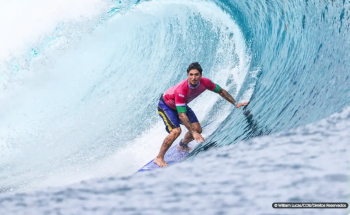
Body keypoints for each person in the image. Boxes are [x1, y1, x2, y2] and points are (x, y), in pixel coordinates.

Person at [154, 62, 249, 167]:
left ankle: (182, 145)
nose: (193, 77)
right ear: (187, 75)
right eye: (191, 74)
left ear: (201, 75)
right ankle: (159, 158)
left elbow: (221, 91)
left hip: (181, 105)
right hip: (166, 106)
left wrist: (235, 103)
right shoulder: (181, 89)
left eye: (196, 74)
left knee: (198, 129)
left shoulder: (205, 82)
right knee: (176, 131)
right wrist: (193, 132)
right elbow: (181, 115)